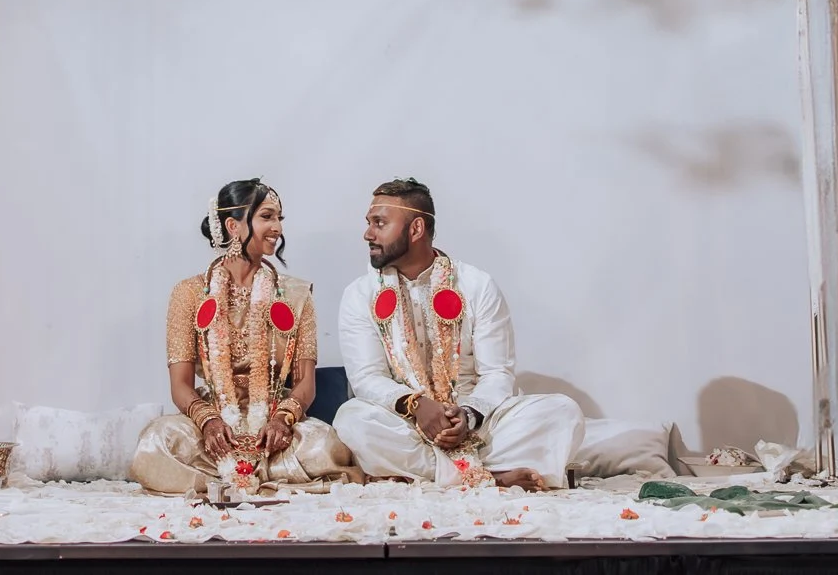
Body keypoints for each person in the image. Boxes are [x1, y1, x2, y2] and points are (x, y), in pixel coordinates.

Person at [334, 179, 584, 490]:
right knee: (352, 418)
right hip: (406, 424)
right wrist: (417, 405)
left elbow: (497, 374)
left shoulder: (477, 285)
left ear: (416, 229)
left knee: (562, 411)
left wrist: (466, 415)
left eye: (379, 223)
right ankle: (491, 477)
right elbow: (367, 378)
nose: (368, 234)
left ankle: (433, 475)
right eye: (369, 223)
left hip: (478, 424)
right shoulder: (360, 294)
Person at [129, 179, 358, 494]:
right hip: (214, 428)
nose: (277, 227)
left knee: (324, 447)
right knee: (154, 445)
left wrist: (283, 420)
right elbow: (180, 385)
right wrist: (208, 421)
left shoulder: (296, 294)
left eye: (279, 218)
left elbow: (306, 384)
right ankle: (249, 479)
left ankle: (233, 481)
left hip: (276, 428)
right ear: (233, 226)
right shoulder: (189, 293)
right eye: (267, 216)